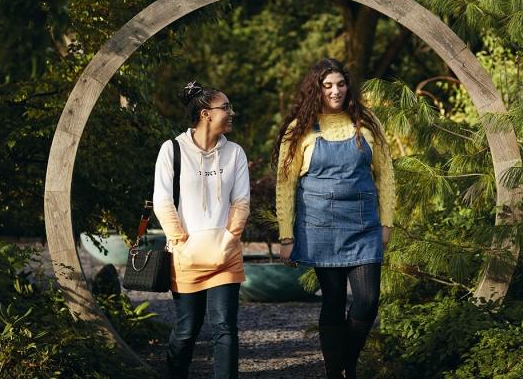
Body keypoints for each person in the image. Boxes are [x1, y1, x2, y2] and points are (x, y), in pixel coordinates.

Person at [274, 58, 395, 379]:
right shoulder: (299, 129)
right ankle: (336, 374)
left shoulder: (367, 124)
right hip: (319, 228)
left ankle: (347, 364)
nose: (335, 90)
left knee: (368, 302)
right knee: (333, 301)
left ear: (348, 86)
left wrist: (387, 223)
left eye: (340, 84)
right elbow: (285, 184)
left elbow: (386, 176)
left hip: (364, 226)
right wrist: (286, 236)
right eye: (327, 85)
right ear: (316, 88)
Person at [153, 82, 250, 379]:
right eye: (226, 108)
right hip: (185, 257)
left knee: (224, 328)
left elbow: (241, 201)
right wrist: (181, 241)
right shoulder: (172, 150)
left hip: (225, 256)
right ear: (206, 114)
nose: (231, 113)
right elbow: (162, 201)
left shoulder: (235, 153)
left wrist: (230, 238)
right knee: (186, 329)